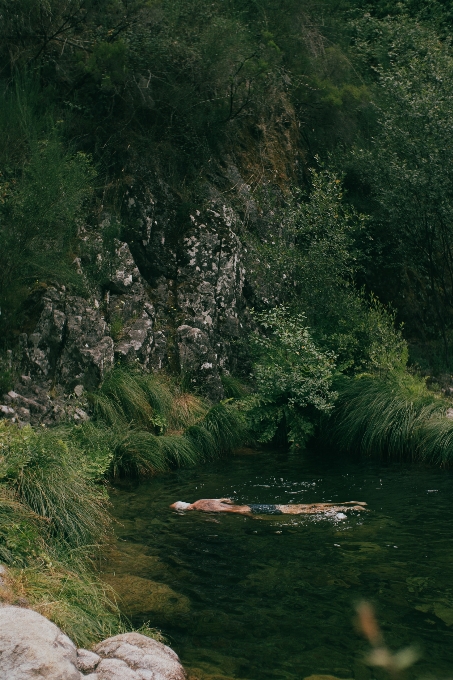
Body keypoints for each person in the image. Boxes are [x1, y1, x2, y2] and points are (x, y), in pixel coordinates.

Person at [170, 498, 367, 515]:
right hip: (252, 504)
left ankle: (350, 509)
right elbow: (227, 500)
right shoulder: (201, 500)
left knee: (300, 512)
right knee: (303, 506)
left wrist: (254, 517)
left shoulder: (201, 509)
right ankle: (349, 504)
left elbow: (229, 511)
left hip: (250, 510)